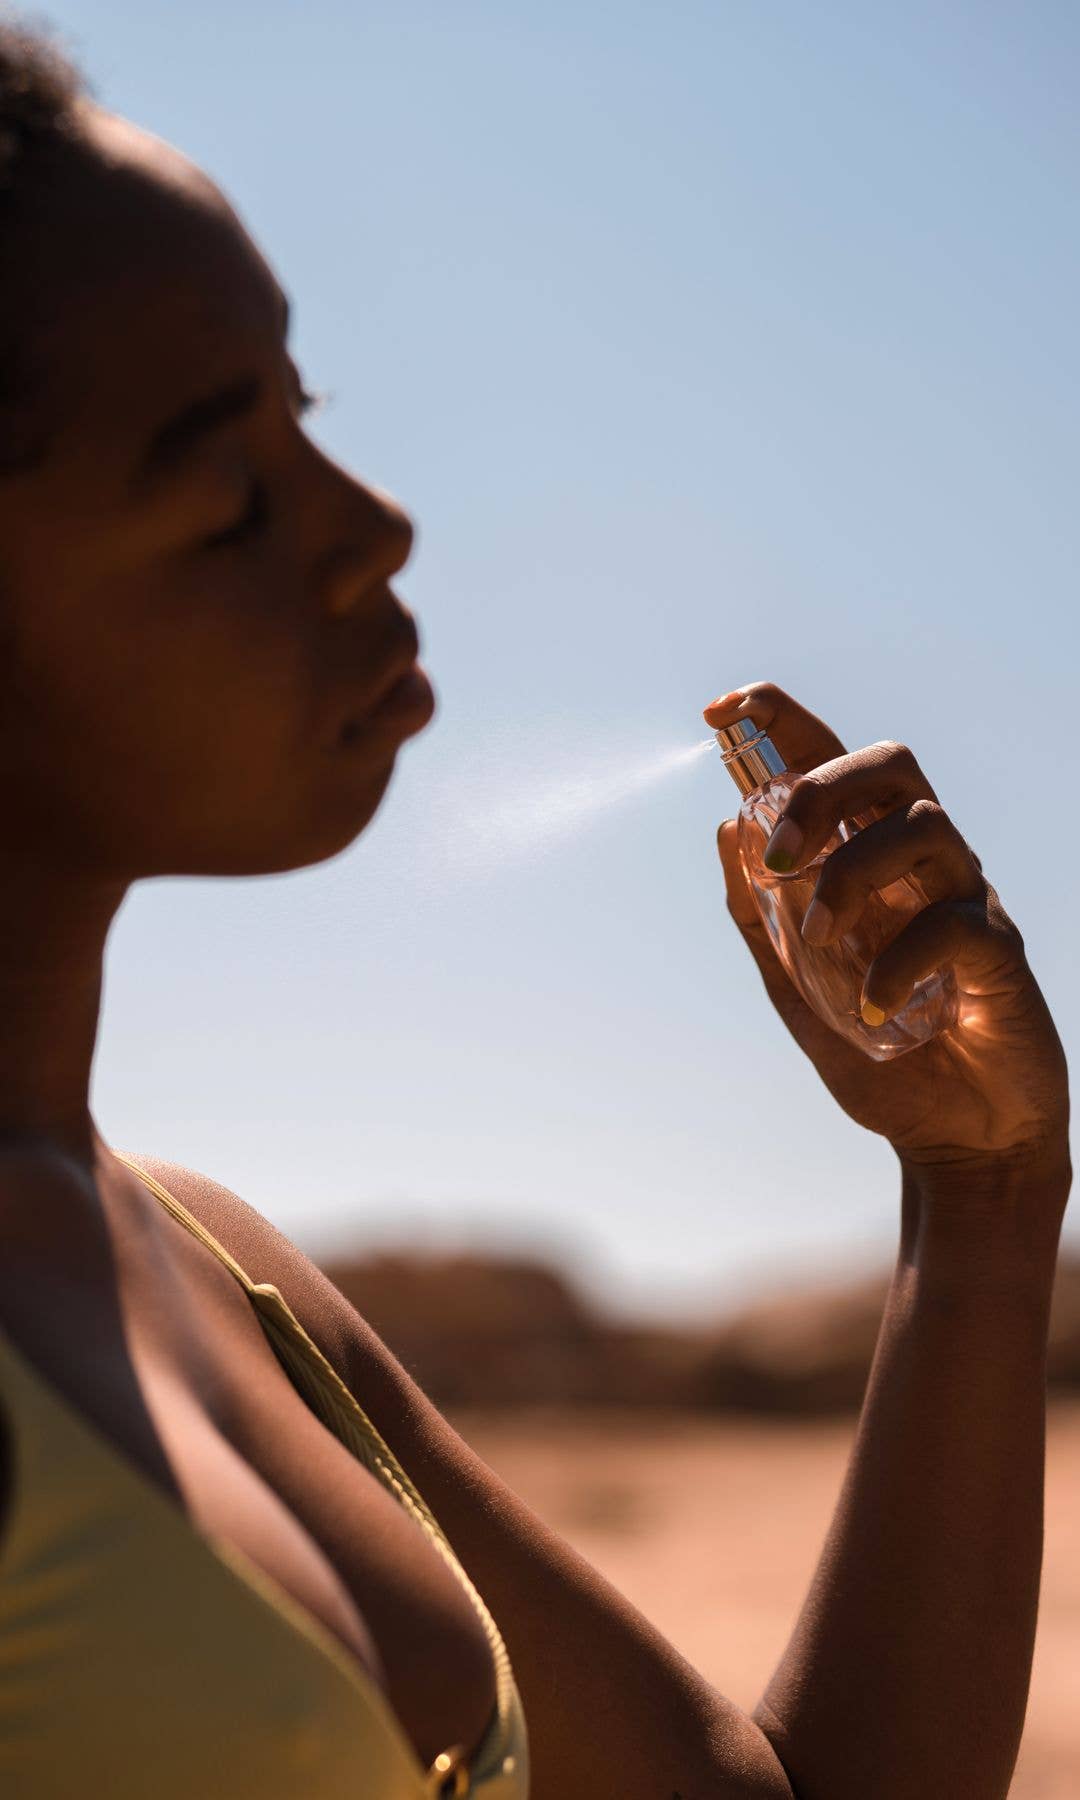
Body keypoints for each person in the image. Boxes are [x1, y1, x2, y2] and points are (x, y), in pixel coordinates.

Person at [0, 20, 1070, 1800]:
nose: (376, 525)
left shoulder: (213, 1273)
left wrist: (978, 1198)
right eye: (225, 487)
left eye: (310, 418)